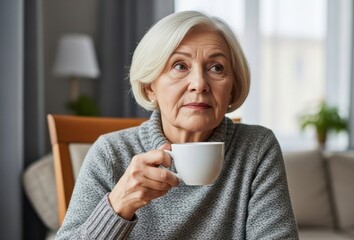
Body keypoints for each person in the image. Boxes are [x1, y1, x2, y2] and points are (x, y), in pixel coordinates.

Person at [56, 11, 298, 239]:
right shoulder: (111, 153)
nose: (199, 84)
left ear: (232, 88)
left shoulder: (256, 148)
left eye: (216, 68)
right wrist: (119, 204)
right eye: (180, 66)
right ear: (150, 87)